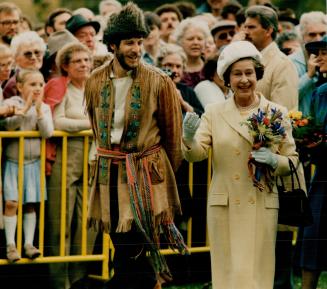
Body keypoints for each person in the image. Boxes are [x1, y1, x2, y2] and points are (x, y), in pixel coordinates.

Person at [181, 40, 299, 289]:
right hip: (224, 203)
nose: (244, 80)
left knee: (255, 272)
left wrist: (274, 160)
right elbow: (197, 155)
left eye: (249, 73)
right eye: (237, 74)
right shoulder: (214, 111)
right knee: (227, 272)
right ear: (227, 78)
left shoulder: (275, 111)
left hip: (261, 201)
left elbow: (292, 160)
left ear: (257, 75)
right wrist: (189, 139)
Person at [84, 3, 187, 289]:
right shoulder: (94, 81)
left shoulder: (159, 81)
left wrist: (161, 177)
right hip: (109, 174)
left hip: (145, 175)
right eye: (129, 42)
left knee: (137, 249)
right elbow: (96, 129)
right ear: (113, 45)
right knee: (123, 247)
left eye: (139, 42)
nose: (136, 49)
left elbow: (172, 136)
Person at [44, 42, 96, 289]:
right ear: (65, 66)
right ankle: (59, 281)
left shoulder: (94, 88)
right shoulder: (59, 86)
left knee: (87, 219)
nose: (84, 64)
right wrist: (88, 124)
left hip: (92, 156)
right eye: (78, 61)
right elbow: (57, 121)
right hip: (67, 154)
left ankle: (79, 278)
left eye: (87, 60)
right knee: (61, 218)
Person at [2, 70, 53, 263]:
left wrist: (38, 111)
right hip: (13, 162)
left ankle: (29, 244)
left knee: (30, 203)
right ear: (20, 87)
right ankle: (10, 245)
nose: (38, 88)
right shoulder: (11, 104)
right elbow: (9, 126)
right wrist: (25, 110)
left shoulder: (45, 107)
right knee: (11, 203)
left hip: (33, 163)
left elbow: (47, 132)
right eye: (33, 85)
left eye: (41, 84)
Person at [295, 35, 327, 289]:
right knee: (312, 234)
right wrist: (306, 142)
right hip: (323, 176)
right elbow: (314, 128)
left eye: (325, 52)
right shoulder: (320, 93)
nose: (319, 57)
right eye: (318, 52)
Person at [242, 5, 299, 112]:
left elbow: (281, 115)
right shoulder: (243, 60)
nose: (245, 32)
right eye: (245, 27)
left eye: (251, 27)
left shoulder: (283, 65)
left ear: (268, 31)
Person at [3, 31, 47, 99]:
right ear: (16, 58)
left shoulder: (41, 77)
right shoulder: (14, 85)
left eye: (37, 52)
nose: (34, 57)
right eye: (28, 54)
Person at [172, 17, 211, 88]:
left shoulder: (211, 67)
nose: (195, 42)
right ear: (180, 42)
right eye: (190, 39)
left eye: (199, 39)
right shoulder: (175, 69)